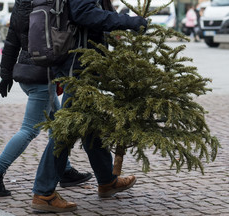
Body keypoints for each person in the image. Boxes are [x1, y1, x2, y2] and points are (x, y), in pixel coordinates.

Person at [30, 0, 147, 213]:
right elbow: (85, 13)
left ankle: (106, 180)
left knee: (89, 123)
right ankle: (44, 192)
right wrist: (128, 22)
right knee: (67, 128)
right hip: (78, 66)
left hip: (82, 64)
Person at [0, 0, 92, 197]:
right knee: (29, 129)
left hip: (27, 71)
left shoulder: (22, 3)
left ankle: (64, 170)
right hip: (41, 75)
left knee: (57, 125)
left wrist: (6, 75)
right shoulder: (50, 3)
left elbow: (12, 39)